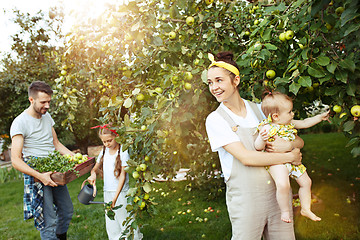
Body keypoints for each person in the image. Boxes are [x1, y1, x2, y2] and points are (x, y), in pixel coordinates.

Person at [205, 52, 303, 239]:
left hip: (278, 197)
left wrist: (290, 145)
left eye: (219, 80)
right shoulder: (216, 120)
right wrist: (289, 156)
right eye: (210, 83)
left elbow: (298, 140)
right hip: (246, 201)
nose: (214, 87)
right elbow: (247, 158)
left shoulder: (260, 109)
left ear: (236, 80)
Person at [10, 81, 74, 240]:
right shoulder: (20, 122)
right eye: (43, 102)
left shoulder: (47, 117)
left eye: (49, 102)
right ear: (31, 100)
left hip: (55, 169)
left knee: (67, 210)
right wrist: (40, 175)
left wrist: (76, 158)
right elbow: (16, 160)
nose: (47, 106)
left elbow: (56, 144)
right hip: (38, 172)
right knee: (48, 220)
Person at [254, 91, 329, 223]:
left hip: (293, 162)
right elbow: (258, 147)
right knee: (283, 185)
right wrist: (261, 138)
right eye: (289, 112)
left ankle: (306, 209)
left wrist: (320, 117)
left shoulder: (288, 123)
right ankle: (285, 211)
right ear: (276, 116)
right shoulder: (266, 128)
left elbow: (305, 122)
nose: (292, 114)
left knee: (307, 182)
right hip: (277, 163)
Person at [87, 125, 143, 240]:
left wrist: (115, 198)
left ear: (116, 136)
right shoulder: (104, 151)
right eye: (104, 141)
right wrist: (93, 174)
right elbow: (95, 168)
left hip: (121, 193)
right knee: (112, 223)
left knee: (125, 220)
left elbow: (123, 176)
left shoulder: (123, 150)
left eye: (109, 140)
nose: (107, 144)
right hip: (108, 192)